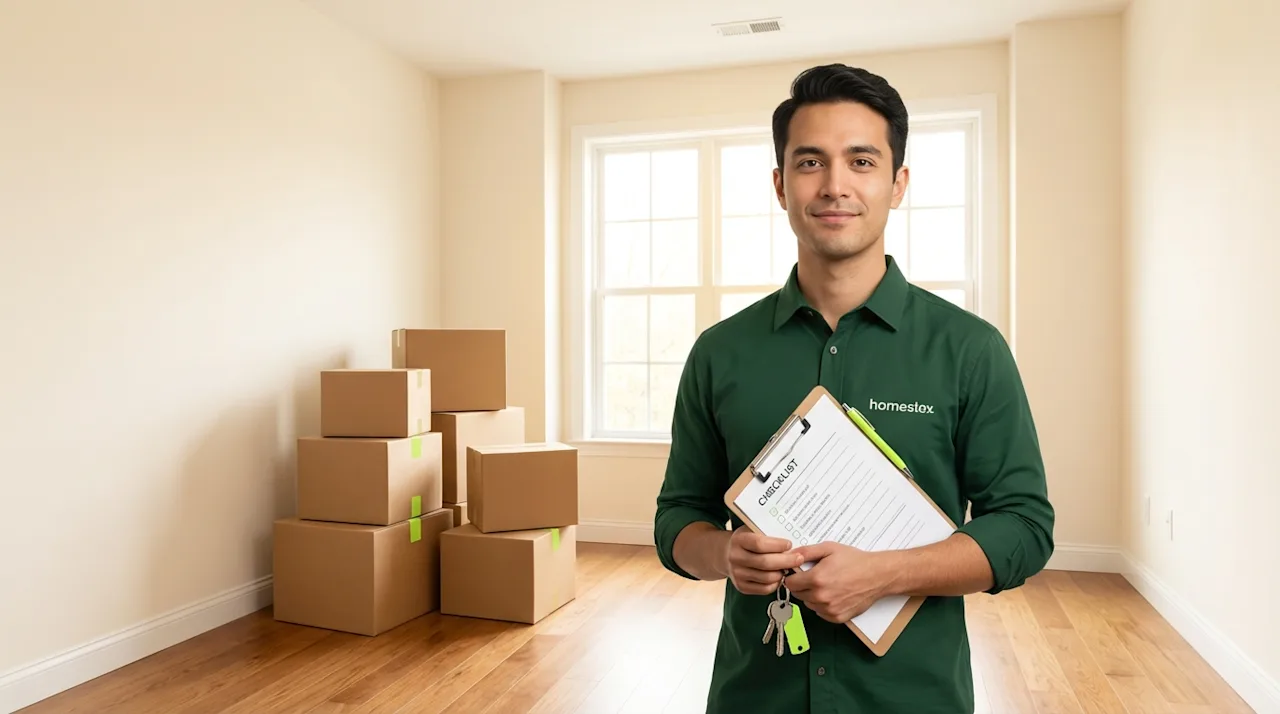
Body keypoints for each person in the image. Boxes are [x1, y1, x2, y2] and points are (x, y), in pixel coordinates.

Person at [652, 63, 1055, 714]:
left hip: (913, 698)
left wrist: (887, 573)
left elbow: (1024, 530)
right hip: (755, 697)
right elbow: (676, 520)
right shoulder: (719, 353)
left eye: (861, 161)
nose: (835, 185)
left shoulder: (969, 350)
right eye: (810, 163)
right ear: (781, 186)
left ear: (897, 185)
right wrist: (725, 554)